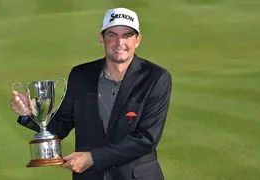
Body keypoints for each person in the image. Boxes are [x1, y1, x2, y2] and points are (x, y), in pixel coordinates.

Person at [10, 7, 172, 180]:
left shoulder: (155, 78)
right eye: (112, 35)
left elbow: (147, 138)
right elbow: (61, 125)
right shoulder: (81, 75)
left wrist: (92, 158)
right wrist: (29, 113)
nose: (119, 43)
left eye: (127, 35)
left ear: (137, 40)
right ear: (101, 38)